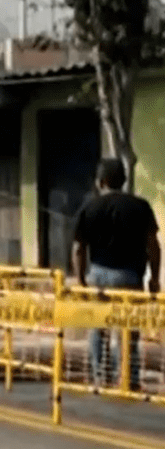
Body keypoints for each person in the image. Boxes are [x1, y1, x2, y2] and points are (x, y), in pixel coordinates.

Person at [73, 158, 161, 391]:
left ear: (101, 182)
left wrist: (81, 280)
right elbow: (153, 245)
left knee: (98, 327)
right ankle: (129, 379)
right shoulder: (141, 206)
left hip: (99, 274)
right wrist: (154, 278)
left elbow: (79, 249)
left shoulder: (89, 207)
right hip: (130, 276)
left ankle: (99, 377)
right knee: (129, 329)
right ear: (123, 181)